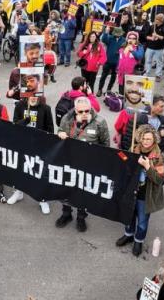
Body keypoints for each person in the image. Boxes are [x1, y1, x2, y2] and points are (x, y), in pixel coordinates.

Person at [56, 97, 110, 232]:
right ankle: (66, 213)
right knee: (66, 189)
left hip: (88, 165)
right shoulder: (67, 119)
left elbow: (106, 145)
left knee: (83, 191)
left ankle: (81, 217)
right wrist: (60, 134)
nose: (85, 113)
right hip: (69, 162)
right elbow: (59, 134)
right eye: (81, 112)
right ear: (75, 111)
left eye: (87, 110)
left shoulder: (100, 122)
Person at [116, 124, 164, 257]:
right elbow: (123, 162)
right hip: (131, 191)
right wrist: (122, 156)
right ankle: (128, 234)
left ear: (154, 140)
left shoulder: (159, 157)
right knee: (129, 215)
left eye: (149, 139)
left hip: (145, 196)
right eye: (143, 138)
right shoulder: (134, 149)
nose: (145, 141)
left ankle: (138, 240)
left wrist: (147, 167)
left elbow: (160, 179)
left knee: (143, 222)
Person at [11, 96, 54, 214]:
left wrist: (47, 145)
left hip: (39, 146)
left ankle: (42, 199)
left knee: (39, 172)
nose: (33, 98)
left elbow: (50, 128)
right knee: (21, 169)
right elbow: (14, 125)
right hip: (23, 144)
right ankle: (19, 192)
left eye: (36, 95)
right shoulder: (20, 106)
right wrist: (25, 121)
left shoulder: (46, 108)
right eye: (31, 95)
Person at [97, 27, 126, 97]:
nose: (118, 35)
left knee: (113, 77)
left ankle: (109, 89)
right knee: (103, 76)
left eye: (119, 34)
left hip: (117, 62)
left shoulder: (124, 40)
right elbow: (103, 39)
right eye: (116, 34)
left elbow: (125, 50)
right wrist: (106, 32)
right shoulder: (110, 38)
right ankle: (100, 89)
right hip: (108, 61)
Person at [143, 13, 164, 82]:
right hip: (150, 47)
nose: (156, 21)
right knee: (148, 60)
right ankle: (146, 73)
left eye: (157, 19)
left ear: (161, 20)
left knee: (159, 62)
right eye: (156, 19)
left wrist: (157, 36)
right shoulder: (152, 26)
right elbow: (146, 36)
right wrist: (151, 38)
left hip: (159, 48)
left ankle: (158, 75)